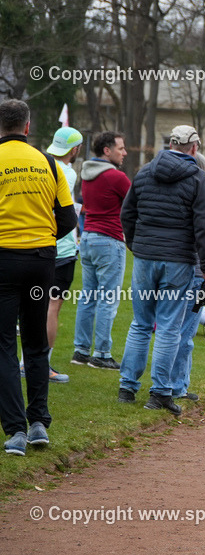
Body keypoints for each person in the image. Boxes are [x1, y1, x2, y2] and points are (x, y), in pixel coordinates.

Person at [118, 125, 205, 415]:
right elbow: (203, 227)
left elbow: (127, 214)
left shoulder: (145, 172)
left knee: (140, 323)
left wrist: (136, 246)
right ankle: (160, 392)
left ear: (171, 144)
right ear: (194, 148)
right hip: (177, 261)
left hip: (145, 257)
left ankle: (127, 387)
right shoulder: (198, 177)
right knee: (168, 328)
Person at [0, 100, 76, 455]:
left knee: (3, 345)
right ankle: (38, 423)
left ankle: (15, 431)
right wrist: (43, 240)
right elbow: (68, 218)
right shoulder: (48, 163)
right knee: (35, 341)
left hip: (4, 260)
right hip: (41, 261)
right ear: (27, 127)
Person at [168, 153, 205, 401]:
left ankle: (161, 383)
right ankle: (177, 386)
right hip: (194, 272)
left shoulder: (172, 198)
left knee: (167, 329)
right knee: (184, 333)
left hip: (167, 269)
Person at [72, 131, 131, 370]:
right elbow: (136, 203)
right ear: (107, 150)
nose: (124, 152)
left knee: (88, 297)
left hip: (88, 239)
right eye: (121, 148)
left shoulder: (86, 174)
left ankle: (81, 351)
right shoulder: (116, 177)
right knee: (108, 299)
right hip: (109, 240)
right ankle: (102, 354)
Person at [45, 126, 84, 384]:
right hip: (62, 247)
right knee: (51, 307)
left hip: (36, 245)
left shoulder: (41, 164)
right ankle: (39, 364)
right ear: (75, 149)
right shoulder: (67, 173)